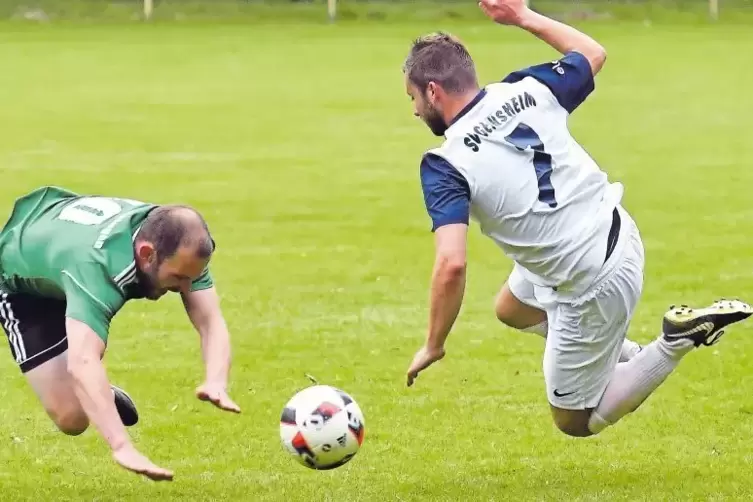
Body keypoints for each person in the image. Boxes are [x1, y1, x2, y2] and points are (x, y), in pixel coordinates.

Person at [402, 0, 752, 438]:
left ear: (433, 91)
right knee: (510, 308)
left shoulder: (446, 163)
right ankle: (620, 353)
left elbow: (451, 264)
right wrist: (522, 16)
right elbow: (592, 53)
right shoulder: (526, 89)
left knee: (575, 421)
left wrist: (434, 344)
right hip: (618, 230)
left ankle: (673, 342)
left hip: (589, 283)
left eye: (414, 97)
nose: (415, 110)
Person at [0, 186, 240, 481]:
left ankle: (96, 391)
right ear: (147, 254)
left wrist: (217, 381)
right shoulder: (98, 269)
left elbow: (210, 321)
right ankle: (101, 393)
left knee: (82, 389)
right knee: (70, 418)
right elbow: (82, 361)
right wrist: (122, 446)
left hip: (63, 247)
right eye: (178, 278)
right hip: (20, 278)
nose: (186, 288)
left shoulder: (180, 245)